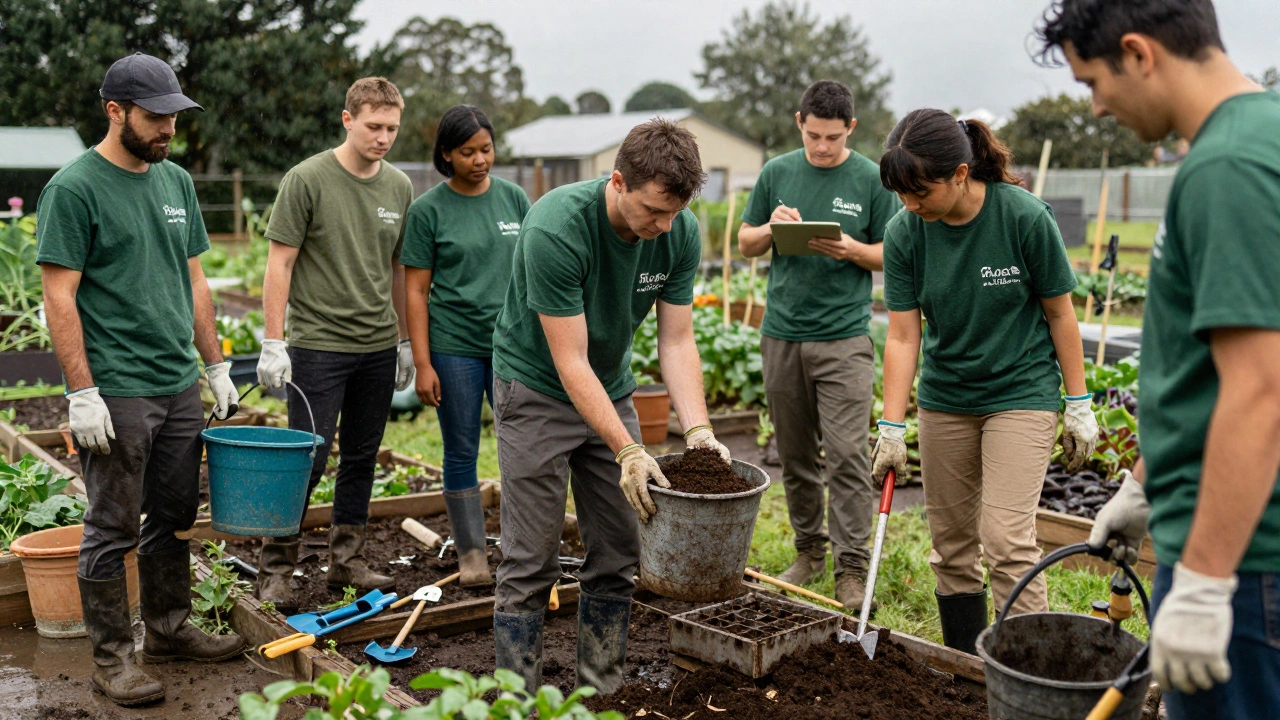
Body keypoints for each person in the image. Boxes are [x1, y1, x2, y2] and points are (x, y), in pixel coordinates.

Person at [1037, 1, 1280, 715]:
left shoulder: (1228, 168)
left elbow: (1262, 388)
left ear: (1140, 54)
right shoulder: (1254, 140)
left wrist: (1203, 584)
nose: (1097, 108)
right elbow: (1211, 373)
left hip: (1244, 563)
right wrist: (1144, 485)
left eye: (1091, 83)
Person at [489, 118, 729, 694]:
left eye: (675, 212)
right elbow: (570, 361)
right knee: (530, 558)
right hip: (537, 388)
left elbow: (676, 341)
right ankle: (514, 701)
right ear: (618, 181)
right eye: (653, 210)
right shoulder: (556, 227)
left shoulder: (679, 230)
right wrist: (627, 446)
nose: (664, 226)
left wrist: (698, 430)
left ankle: (602, 689)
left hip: (609, 386)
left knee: (620, 549)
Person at [36, 52, 244, 706]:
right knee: (113, 525)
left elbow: (196, 280)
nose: (167, 131)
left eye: (174, 119)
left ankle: (169, 628)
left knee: (176, 514)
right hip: (119, 386)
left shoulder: (175, 182)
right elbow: (60, 297)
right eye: (155, 118)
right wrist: (82, 391)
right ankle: (111, 659)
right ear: (115, 111)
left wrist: (214, 365)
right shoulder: (74, 189)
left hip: (177, 380)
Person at [872, 109, 1097, 654]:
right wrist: (891, 426)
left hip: (1020, 392)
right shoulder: (906, 233)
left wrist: (1079, 402)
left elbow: (1060, 314)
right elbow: (904, 336)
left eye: (919, 191)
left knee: (1006, 540)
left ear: (960, 173)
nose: (910, 204)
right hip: (948, 396)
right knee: (951, 548)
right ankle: (969, 672)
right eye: (901, 194)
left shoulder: (1022, 216)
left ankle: (1029, 670)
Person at [254, 77, 416, 612]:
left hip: (375, 346)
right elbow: (280, 262)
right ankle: (276, 566)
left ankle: (346, 559)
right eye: (374, 126)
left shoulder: (398, 187)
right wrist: (273, 341)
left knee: (363, 455)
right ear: (347, 120)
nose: (383, 138)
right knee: (308, 456)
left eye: (392, 128)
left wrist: (403, 341)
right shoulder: (306, 179)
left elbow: (397, 268)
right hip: (318, 344)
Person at [737, 80, 901, 608]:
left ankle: (852, 568)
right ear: (799, 122)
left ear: (850, 128)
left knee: (849, 454)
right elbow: (745, 244)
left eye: (832, 137)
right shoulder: (777, 172)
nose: (822, 147)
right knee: (795, 452)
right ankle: (810, 551)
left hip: (844, 336)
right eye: (813, 136)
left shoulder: (873, 179)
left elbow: (892, 254)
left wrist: (852, 248)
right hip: (781, 333)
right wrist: (770, 227)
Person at [402, 105, 530, 587]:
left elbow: (533, 273)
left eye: (486, 149)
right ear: (446, 155)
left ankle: (522, 547)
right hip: (454, 346)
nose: (480, 160)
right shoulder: (428, 210)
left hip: (511, 348)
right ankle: (473, 555)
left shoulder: (515, 200)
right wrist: (422, 362)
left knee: (521, 447)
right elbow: (415, 290)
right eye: (467, 152)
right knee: (461, 449)